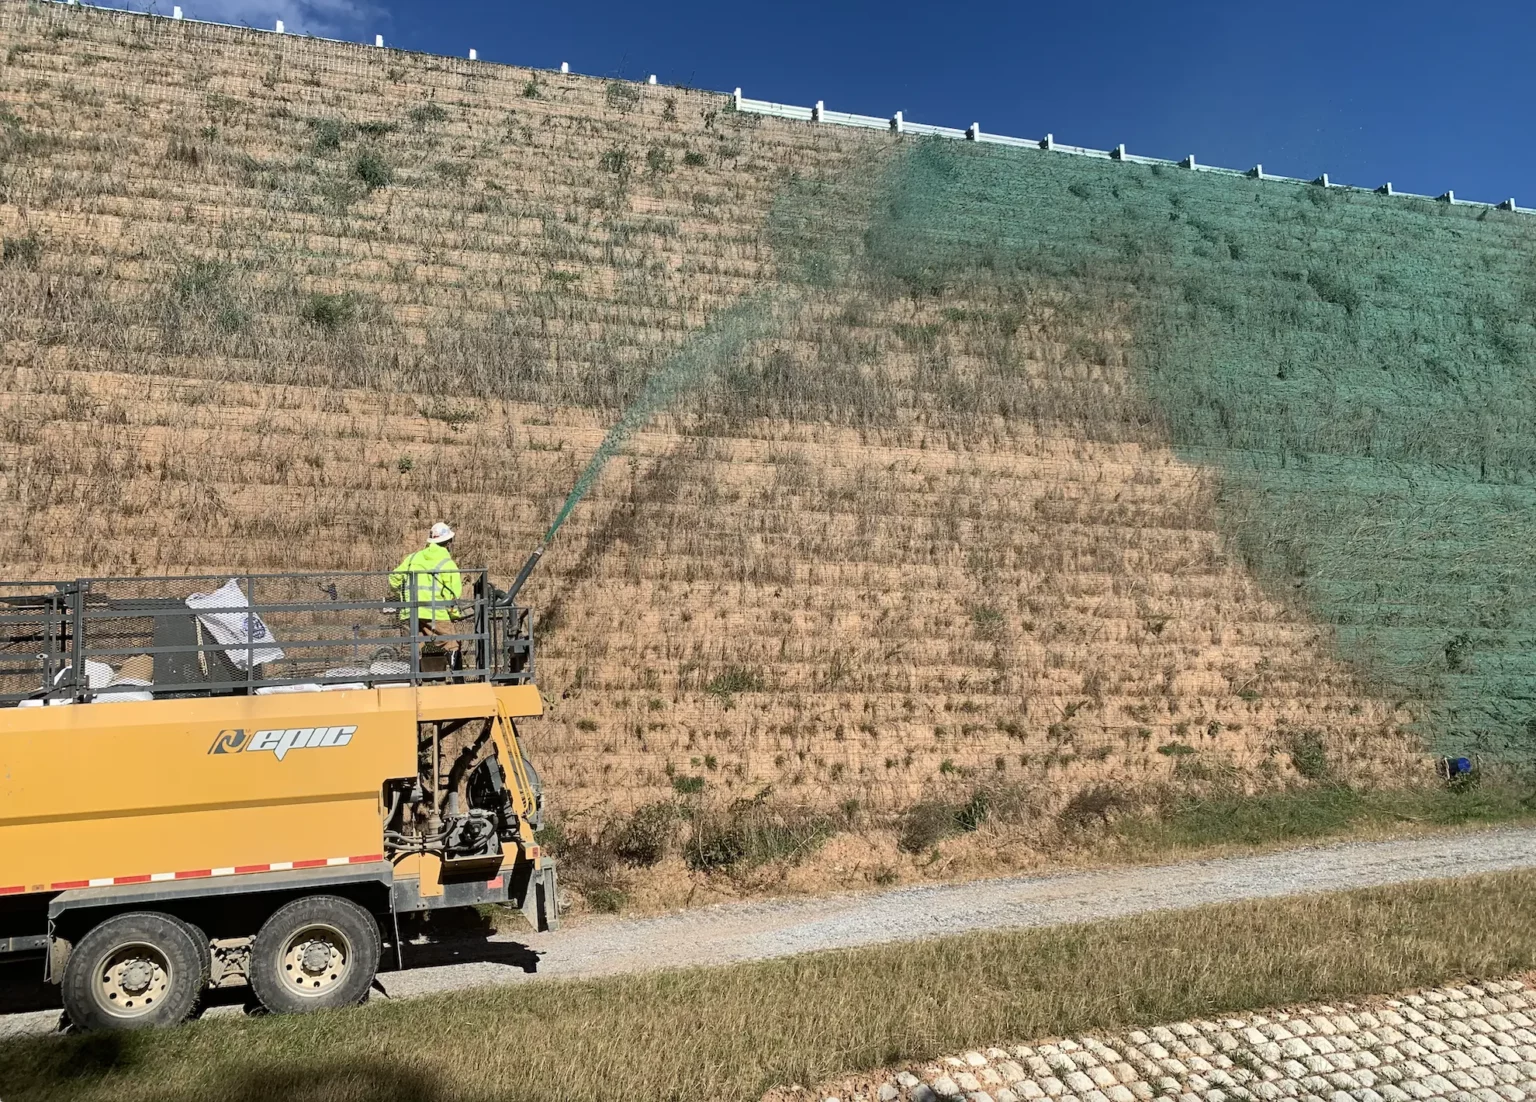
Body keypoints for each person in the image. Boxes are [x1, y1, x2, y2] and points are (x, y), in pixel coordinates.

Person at [389, 523, 464, 665]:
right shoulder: (448, 564)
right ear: (448, 542)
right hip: (435, 613)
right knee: (451, 643)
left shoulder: (412, 558)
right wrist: (453, 615)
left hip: (409, 612)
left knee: (411, 647)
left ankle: (412, 682)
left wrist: (401, 595)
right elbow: (452, 595)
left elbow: (393, 579)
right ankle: (457, 679)